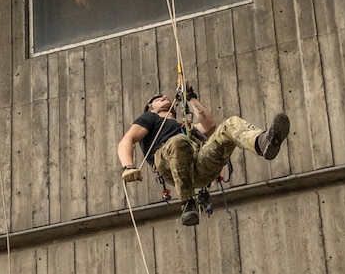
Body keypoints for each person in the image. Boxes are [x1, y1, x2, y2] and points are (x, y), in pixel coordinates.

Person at [118, 91, 290, 227]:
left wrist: (190, 97)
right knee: (179, 142)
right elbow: (128, 139)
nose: (163, 97)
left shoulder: (184, 127)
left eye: (164, 96)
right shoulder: (151, 118)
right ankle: (187, 203)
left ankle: (261, 143)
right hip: (169, 163)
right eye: (157, 99)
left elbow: (209, 125)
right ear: (150, 107)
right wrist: (128, 166)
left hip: (198, 165)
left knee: (230, 124)